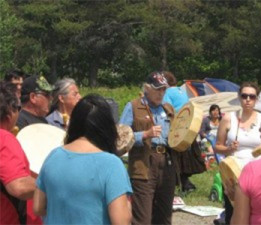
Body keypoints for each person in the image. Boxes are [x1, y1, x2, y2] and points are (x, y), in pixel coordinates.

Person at [33, 94, 132, 224]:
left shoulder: (53, 156)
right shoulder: (112, 165)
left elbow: (38, 207)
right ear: (108, 127)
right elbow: (120, 221)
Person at [120, 71, 178, 225]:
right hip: (143, 164)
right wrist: (145, 135)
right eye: (157, 89)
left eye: (163, 89)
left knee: (164, 217)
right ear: (147, 88)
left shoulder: (168, 109)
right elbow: (120, 137)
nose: (161, 93)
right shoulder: (133, 106)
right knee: (142, 218)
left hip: (167, 163)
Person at [215, 82, 261, 225]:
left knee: (256, 213)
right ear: (239, 97)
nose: (248, 99)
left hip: (258, 174)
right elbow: (217, 146)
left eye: (252, 96)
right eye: (244, 96)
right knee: (234, 213)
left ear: (257, 99)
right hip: (233, 174)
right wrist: (229, 149)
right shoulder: (228, 118)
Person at [0, 81, 36, 224]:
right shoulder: (4, 138)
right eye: (18, 107)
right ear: (9, 112)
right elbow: (19, 186)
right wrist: (51, 182)